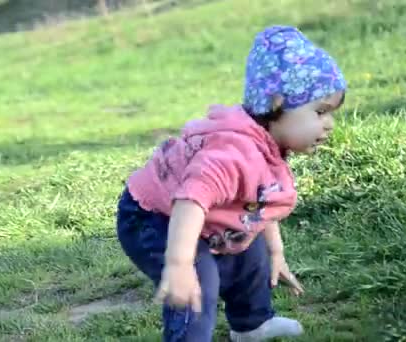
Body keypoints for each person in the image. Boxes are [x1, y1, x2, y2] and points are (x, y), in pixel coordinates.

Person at [115, 25, 347, 341]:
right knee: (197, 279)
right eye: (320, 111)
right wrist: (179, 263)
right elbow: (190, 200)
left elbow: (258, 200)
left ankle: (252, 325)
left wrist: (275, 252)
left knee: (250, 254)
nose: (329, 124)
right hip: (155, 217)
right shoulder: (232, 152)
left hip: (198, 215)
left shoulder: (266, 143)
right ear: (277, 103)